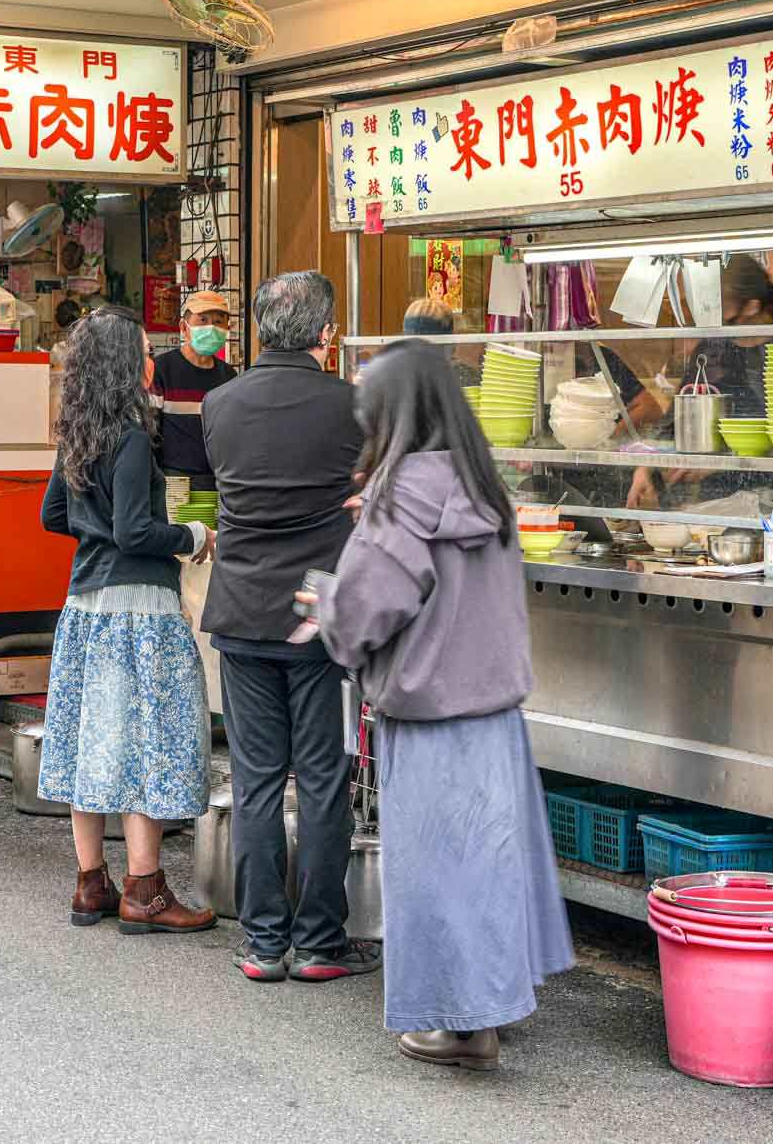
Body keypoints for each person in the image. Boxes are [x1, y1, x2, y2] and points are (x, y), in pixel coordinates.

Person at [308, 338, 571, 1071]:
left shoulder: (403, 496)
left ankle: (456, 1026)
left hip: (427, 718)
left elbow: (367, 608)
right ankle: (489, 1007)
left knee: (435, 875)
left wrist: (328, 600)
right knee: (487, 867)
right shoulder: (483, 485)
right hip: (495, 718)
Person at [200, 272, 377, 982]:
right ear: (326, 335)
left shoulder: (219, 402)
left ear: (257, 329)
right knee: (325, 777)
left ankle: (263, 942)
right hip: (319, 615)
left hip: (241, 611)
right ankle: (319, 941)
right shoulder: (354, 406)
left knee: (256, 780)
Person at [41, 306, 216, 933]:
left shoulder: (78, 432)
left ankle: (91, 883)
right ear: (126, 366)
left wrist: (97, 531)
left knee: (93, 739)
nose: (152, 359)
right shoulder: (136, 436)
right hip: (140, 608)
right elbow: (135, 531)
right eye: (144, 350)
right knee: (147, 739)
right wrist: (193, 533)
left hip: (84, 606)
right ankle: (146, 890)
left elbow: (52, 518)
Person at [627, 253, 773, 509]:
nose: (719, 329)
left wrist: (717, 463)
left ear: (752, 307)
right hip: (710, 505)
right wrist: (646, 465)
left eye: (727, 320)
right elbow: (673, 422)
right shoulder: (712, 350)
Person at [150, 289, 236, 492]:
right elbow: (148, 432)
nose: (211, 328)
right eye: (203, 320)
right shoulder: (161, 370)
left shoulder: (229, 377)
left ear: (227, 328)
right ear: (184, 327)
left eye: (218, 322)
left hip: (217, 482)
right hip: (172, 481)